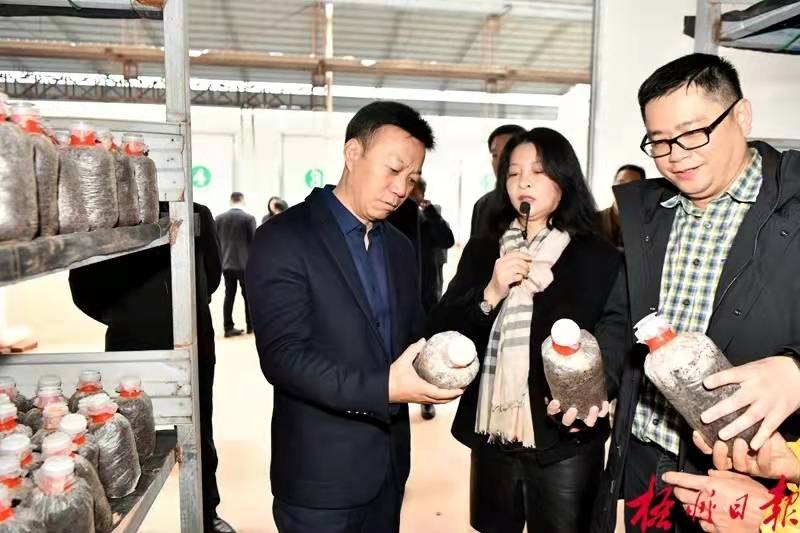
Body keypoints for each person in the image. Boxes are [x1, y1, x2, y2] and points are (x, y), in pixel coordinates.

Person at [590, 53, 800, 533]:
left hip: (750, 470)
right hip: (648, 458)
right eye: (659, 141)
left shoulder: (793, 204)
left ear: (741, 115)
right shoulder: (650, 213)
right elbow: (624, 320)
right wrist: (596, 380)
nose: (675, 155)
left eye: (692, 133)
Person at [246, 101, 463, 533]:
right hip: (320, 480)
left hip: (388, 470)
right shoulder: (285, 237)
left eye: (411, 178)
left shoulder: (398, 247)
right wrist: (386, 388)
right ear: (352, 153)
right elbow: (284, 357)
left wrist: (483, 303)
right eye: (393, 169)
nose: (401, 189)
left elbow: (414, 335)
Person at [428, 127, 622, 532]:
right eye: (513, 173)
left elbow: (614, 336)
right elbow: (443, 330)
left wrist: (589, 393)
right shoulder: (484, 249)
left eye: (537, 171)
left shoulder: (598, 256)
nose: (524, 182)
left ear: (564, 180)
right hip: (492, 435)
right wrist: (490, 293)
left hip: (564, 436)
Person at [68, 202, 235, 533]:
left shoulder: (197, 213)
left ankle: (207, 514)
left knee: (200, 431)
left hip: (193, 340)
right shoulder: (110, 221)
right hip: (131, 345)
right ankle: (119, 514)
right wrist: (126, 316)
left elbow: (212, 276)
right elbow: (83, 288)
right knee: (123, 434)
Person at [406, 178, 456, 421]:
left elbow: (447, 239)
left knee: (425, 347)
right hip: (402, 292)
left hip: (428, 293)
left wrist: (428, 211)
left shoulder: (432, 215)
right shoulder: (395, 217)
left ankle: (425, 398)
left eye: (415, 191)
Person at [471, 124, 527, 238]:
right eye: (495, 155)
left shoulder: (536, 200)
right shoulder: (483, 204)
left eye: (508, 154)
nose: (501, 162)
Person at [215, 192, 257, 337]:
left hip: (226, 264)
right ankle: (251, 326)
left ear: (231, 200)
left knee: (229, 295)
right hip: (245, 264)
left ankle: (228, 327)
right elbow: (254, 243)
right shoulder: (249, 218)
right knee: (248, 296)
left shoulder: (219, 219)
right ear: (242, 200)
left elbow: (216, 242)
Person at [598, 164, 646, 248]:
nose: (625, 188)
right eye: (621, 182)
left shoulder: (649, 226)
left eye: (633, 184)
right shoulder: (594, 220)